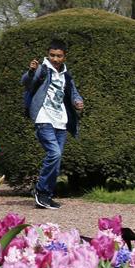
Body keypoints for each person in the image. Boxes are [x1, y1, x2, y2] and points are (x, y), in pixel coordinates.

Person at [22, 38, 84, 210]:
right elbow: (26, 82)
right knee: (54, 154)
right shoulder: (42, 70)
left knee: (55, 160)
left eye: (59, 56)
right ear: (47, 55)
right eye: (52, 55)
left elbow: (73, 93)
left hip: (61, 122)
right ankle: (41, 191)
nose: (55, 59)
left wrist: (78, 101)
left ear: (64, 57)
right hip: (44, 119)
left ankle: (46, 196)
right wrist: (31, 71)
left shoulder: (66, 75)